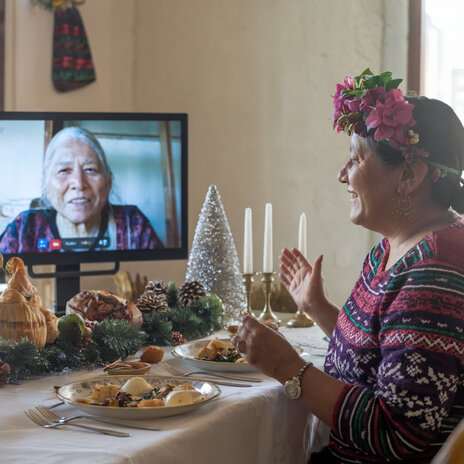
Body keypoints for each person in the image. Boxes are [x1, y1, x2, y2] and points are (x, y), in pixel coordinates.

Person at [232, 69, 464, 463]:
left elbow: (398, 434)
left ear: (409, 175)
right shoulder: (392, 249)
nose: (342, 175)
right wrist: (319, 310)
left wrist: (286, 367)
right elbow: (381, 358)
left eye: (356, 159)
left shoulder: (434, 275)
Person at [0, 127, 164, 252]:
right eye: (64, 170)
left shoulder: (133, 224)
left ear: (108, 181)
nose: (78, 183)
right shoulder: (23, 228)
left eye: (90, 169)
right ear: (46, 186)